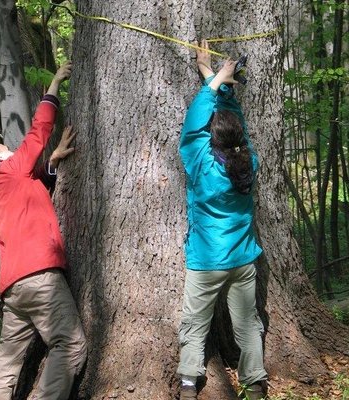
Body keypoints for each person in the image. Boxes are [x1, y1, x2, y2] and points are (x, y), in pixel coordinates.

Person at [0, 61, 87, 400]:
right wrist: (54, 83)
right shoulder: (10, 171)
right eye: (7, 152)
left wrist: (53, 161)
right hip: (38, 275)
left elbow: (35, 181)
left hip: (13, 289)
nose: (13, 153)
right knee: (70, 343)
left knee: (7, 360)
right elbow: (39, 128)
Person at [177, 40, 268, 400]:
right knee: (248, 324)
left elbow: (193, 128)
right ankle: (255, 382)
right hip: (243, 259)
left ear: (211, 139)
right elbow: (236, 128)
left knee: (195, 325)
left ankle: (188, 383)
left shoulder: (201, 164)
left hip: (206, 262)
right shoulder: (249, 163)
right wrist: (212, 75)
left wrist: (214, 83)